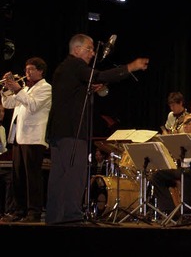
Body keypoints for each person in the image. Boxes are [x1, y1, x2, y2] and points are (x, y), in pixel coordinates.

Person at [46, 33, 149, 224]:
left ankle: (55, 218)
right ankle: (71, 217)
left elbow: (72, 93)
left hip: (58, 132)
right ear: (76, 50)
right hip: (72, 131)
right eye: (89, 49)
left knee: (59, 176)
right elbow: (100, 75)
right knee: (75, 175)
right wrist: (130, 67)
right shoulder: (76, 65)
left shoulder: (63, 68)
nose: (92, 53)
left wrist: (88, 88)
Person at [0, 57, 51, 223]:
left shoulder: (46, 88)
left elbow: (34, 106)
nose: (27, 73)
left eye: (31, 70)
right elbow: (8, 104)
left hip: (34, 139)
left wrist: (17, 89)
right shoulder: (26, 89)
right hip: (19, 137)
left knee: (32, 177)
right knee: (18, 177)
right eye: (26, 69)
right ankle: (19, 210)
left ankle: (34, 212)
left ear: (40, 71)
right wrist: (6, 88)